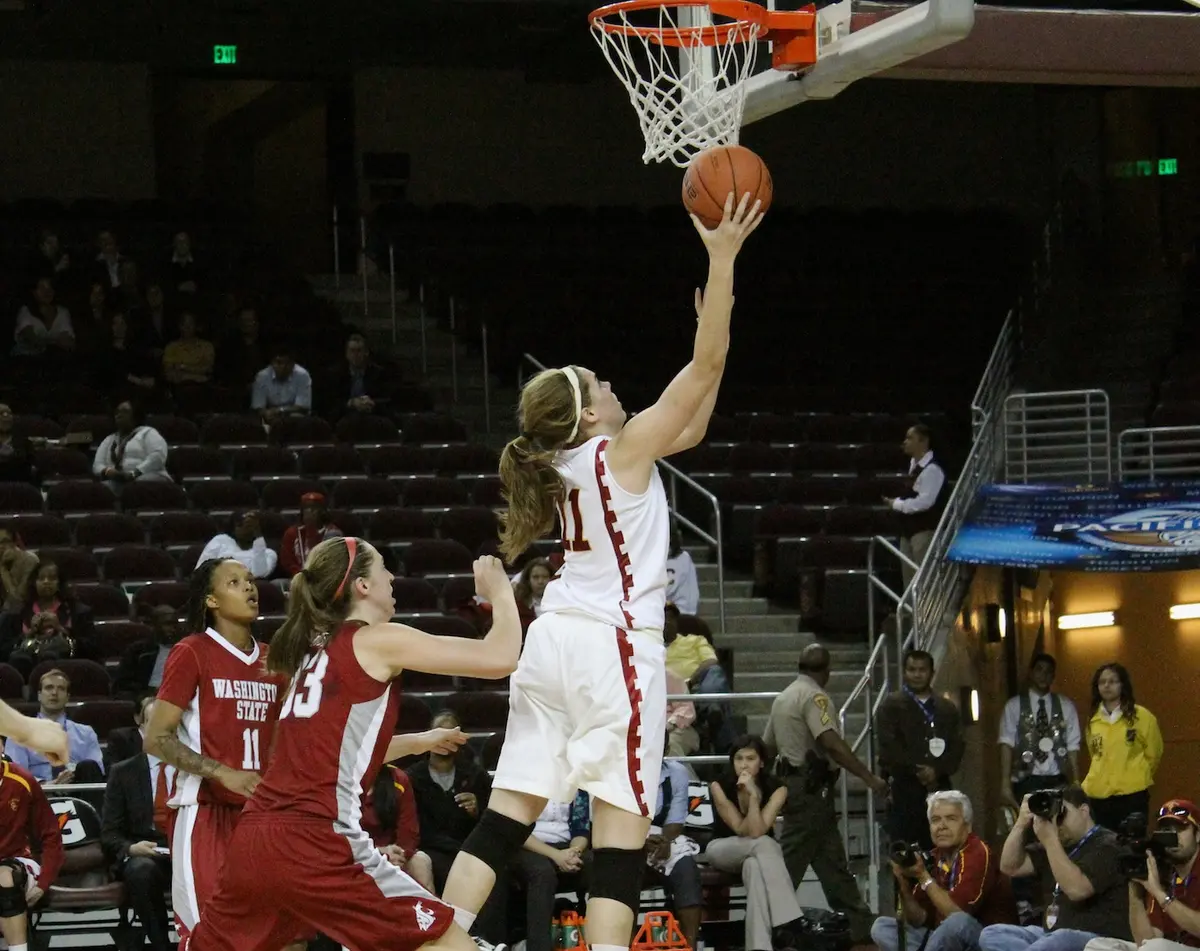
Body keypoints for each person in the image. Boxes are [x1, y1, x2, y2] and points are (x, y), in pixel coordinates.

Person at [438, 192, 764, 951]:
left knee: (504, 812)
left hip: (554, 642)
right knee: (622, 826)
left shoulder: (563, 462)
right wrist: (721, 266)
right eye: (604, 384)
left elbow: (699, 412)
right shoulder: (621, 451)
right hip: (613, 647)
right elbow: (706, 365)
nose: (617, 387)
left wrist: (706, 330)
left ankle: (441, 937)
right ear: (589, 414)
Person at [185, 540, 522, 951]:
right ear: (362, 585)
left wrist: (420, 740)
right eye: (383, 568)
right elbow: (501, 657)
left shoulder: (314, 653)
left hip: (256, 840)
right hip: (318, 840)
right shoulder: (375, 640)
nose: (393, 577)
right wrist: (501, 592)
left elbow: (335, 755)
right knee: (448, 944)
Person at [143, 558, 286, 950]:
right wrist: (224, 772)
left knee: (283, 938)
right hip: (205, 813)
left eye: (251, 581)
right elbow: (157, 739)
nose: (249, 587)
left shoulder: (275, 661)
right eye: (235, 582)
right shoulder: (191, 651)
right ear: (211, 600)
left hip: (263, 815)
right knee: (210, 939)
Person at [765, 643, 889, 944]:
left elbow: (768, 745)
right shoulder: (815, 696)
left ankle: (859, 923)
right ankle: (767, 920)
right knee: (792, 859)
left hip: (794, 785)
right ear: (827, 671)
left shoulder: (783, 697)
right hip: (811, 788)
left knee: (830, 858)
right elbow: (831, 742)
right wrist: (868, 776)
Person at [981, 785, 1131, 951]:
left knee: (1057, 940)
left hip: (1096, 939)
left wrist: (1050, 839)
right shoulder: (1055, 845)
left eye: (1061, 814)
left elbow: (1077, 890)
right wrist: (1021, 823)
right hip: (1050, 935)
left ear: (1084, 811)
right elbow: (1010, 867)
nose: (1055, 822)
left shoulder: (1109, 844)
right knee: (992, 934)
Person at [871, 791, 1016, 951]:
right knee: (882, 927)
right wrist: (903, 883)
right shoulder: (934, 856)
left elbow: (957, 914)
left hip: (987, 940)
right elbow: (919, 919)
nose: (942, 826)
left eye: (951, 819)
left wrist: (923, 877)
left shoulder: (978, 852)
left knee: (956, 922)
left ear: (967, 826)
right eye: (935, 820)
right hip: (943, 939)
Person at [706, 734, 803, 951]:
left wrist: (754, 796)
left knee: (755, 868)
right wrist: (748, 797)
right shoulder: (718, 785)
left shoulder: (778, 788)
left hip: (758, 855)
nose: (743, 765)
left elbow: (757, 830)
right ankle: (789, 920)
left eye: (750, 759)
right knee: (767, 844)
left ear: (762, 762)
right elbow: (744, 830)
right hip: (722, 848)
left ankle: (759, 947)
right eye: (738, 759)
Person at [100, 698, 176, 951]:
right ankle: (161, 946)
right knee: (140, 870)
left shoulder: (196, 770)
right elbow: (110, 832)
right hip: (146, 851)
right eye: (154, 723)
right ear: (142, 728)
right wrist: (131, 849)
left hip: (190, 850)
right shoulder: (123, 773)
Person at [876, 649, 965, 851]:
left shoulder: (946, 708)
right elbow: (888, 747)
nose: (917, 674)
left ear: (931, 672)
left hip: (939, 787)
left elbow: (957, 746)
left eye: (922, 670)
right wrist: (917, 770)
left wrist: (937, 770)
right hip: (904, 789)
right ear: (904, 672)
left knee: (943, 847)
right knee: (906, 851)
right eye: (911, 669)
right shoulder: (891, 705)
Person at [1084, 799, 1200, 951]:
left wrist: (1159, 893)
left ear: (1198, 835)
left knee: (1156, 947)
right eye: (1166, 830)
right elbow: (1145, 940)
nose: (1173, 836)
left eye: (1180, 829)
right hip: (1168, 947)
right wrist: (1135, 886)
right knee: (1097, 946)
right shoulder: (1163, 871)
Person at [1081, 663, 1162, 835]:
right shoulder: (1093, 720)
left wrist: (1137, 774)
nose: (1107, 685)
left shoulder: (1142, 717)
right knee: (1103, 848)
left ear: (1123, 685)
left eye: (1112, 681)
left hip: (1132, 795)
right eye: (1102, 682)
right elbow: (1094, 754)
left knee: (1132, 847)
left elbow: (1154, 754)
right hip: (1099, 795)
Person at [0, 744, 66, 951]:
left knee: (3, 876)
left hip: (17, 860)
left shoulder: (22, 780)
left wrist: (43, 883)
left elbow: (51, 835)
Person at [999, 654, 1081, 809]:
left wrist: (1076, 780)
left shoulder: (1066, 706)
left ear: (1053, 676)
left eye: (1049, 672)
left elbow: (1073, 745)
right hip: (1026, 779)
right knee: (1029, 827)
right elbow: (1006, 743)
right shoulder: (1014, 706)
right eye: (1039, 670)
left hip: (1058, 779)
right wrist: (1005, 783)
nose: (1044, 675)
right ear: (1031, 672)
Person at [5, 667, 104, 785]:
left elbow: (97, 772)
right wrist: (51, 785)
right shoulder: (19, 733)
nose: (54, 693)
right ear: (39, 695)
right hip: (38, 795)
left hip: (79, 791)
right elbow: (15, 777)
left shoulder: (86, 733)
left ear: (67, 697)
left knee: (88, 766)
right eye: (49, 688)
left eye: (61, 689)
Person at [883, 423, 948, 590]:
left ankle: (927, 615)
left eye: (909, 438)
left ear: (923, 441)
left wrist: (897, 504)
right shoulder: (913, 465)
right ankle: (910, 615)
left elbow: (925, 502)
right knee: (910, 581)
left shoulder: (933, 469)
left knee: (924, 581)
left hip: (924, 532)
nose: (905, 442)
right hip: (908, 531)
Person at [92, 400, 171, 492]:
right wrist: (109, 472)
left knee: (137, 485)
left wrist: (134, 473)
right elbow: (97, 465)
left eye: (125, 411)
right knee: (99, 489)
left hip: (148, 476)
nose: (119, 415)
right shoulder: (109, 439)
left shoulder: (148, 432)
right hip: (118, 480)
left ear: (136, 416)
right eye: (117, 412)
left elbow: (158, 456)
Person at [278, 492, 343, 578]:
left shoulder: (333, 532)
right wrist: (300, 574)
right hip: (298, 578)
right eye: (306, 508)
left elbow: (336, 561)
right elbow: (287, 561)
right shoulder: (292, 533)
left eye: (314, 508)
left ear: (322, 511)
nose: (309, 511)